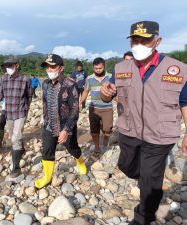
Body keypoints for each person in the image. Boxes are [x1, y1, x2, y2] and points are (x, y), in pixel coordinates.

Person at [100, 21, 187, 225]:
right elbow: (108, 94)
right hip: (129, 131)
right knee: (127, 166)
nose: (139, 44)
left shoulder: (178, 69)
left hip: (160, 135)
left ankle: (143, 217)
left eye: (145, 40)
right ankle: (147, 175)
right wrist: (105, 92)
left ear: (158, 40)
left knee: (149, 180)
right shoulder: (121, 68)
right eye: (135, 40)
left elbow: (185, 103)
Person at [35, 54, 87, 189]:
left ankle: (80, 161)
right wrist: (45, 120)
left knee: (72, 148)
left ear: (61, 68)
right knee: (47, 150)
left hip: (66, 126)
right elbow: (45, 104)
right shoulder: (45, 84)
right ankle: (47, 177)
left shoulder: (70, 85)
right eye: (47, 67)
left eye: (53, 67)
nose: (49, 70)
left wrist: (66, 130)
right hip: (49, 125)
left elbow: (75, 110)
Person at [0, 56, 32, 179]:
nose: (8, 68)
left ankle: (16, 167)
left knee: (15, 139)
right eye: (6, 66)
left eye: (10, 65)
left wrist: (26, 109)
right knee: (13, 136)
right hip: (8, 113)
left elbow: (29, 96)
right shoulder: (3, 78)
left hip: (20, 113)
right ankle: (21, 149)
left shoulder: (25, 79)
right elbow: (0, 94)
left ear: (17, 65)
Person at [79, 57, 113, 153]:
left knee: (107, 129)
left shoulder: (110, 77)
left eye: (100, 68)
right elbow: (86, 91)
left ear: (104, 67)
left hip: (107, 107)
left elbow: (115, 91)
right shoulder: (89, 78)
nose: (98, 70)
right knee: (94, 130)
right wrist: (80, 102)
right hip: (94, 108)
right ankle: (97, 147)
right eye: (96, 68)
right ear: (93, 68)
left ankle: (105, 144)